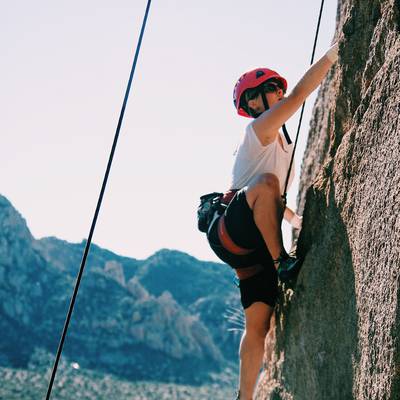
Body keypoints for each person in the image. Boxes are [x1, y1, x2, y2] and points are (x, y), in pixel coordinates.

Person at [205, 42, 339, 400]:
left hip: (251, 247)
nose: (276, 95)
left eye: (275, 89)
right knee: (266, 183)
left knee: (258, 323)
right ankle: (282, 262)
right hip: (230, 229)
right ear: (252, 104)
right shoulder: (258, 132)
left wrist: (295, 220)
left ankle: (244, 397)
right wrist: (332, 55)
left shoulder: (284, 147)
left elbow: (276, 203)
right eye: (268, 91)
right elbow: (299, 95)